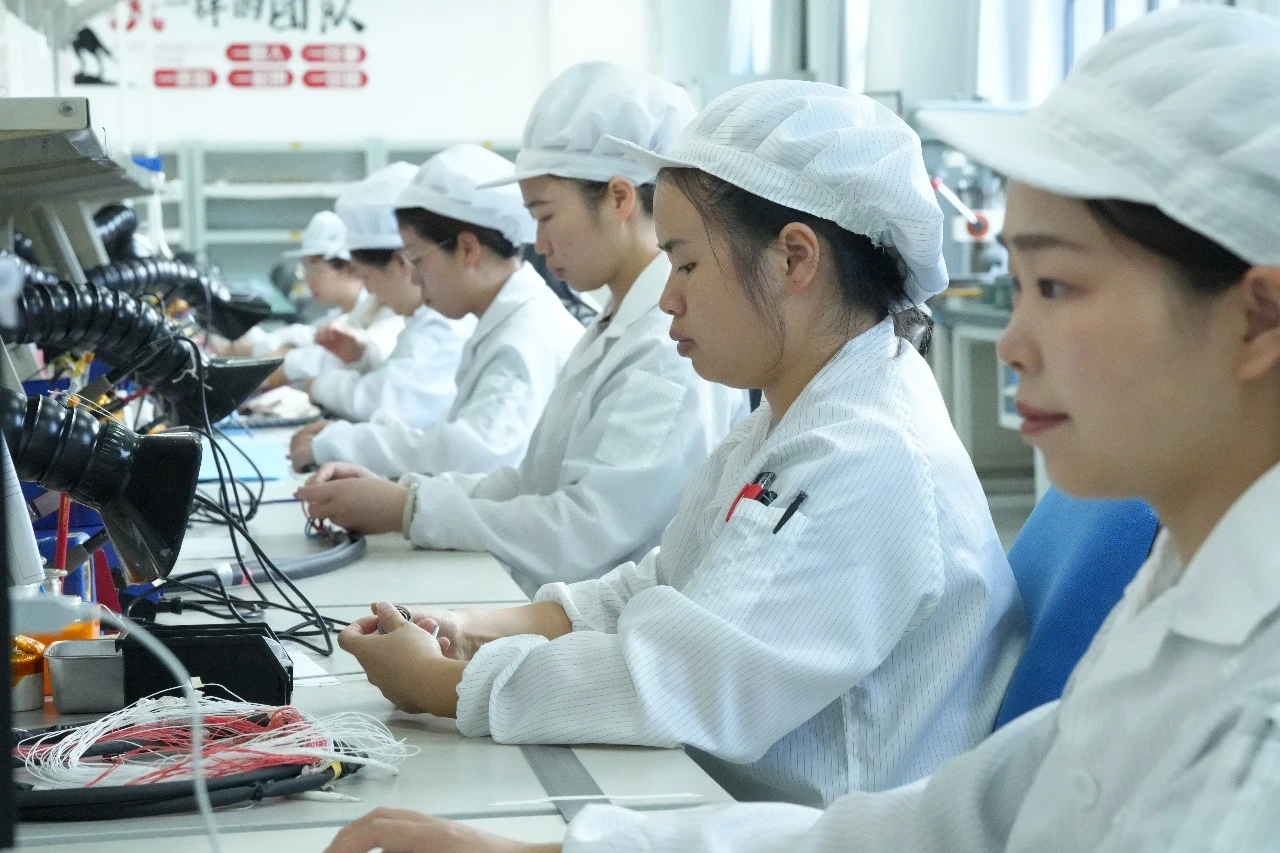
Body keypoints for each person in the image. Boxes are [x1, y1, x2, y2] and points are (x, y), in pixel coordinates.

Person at [324, 7, 1280, 852]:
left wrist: (464, 681)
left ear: (1259, 318)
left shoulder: (872, 450)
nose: (1014, 342)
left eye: (1058, 286)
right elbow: (950, 822)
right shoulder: (1180, 589)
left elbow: (692, 677)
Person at [326, 79, 1025, 810]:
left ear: (794, 259)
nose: (668, 297)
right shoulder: (793, 416)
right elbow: (666, 583)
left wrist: (448, 684)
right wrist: (474, 629)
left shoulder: (865, 453)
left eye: (686, 264)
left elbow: (685, 681)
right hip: (729, 793)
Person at [296, 62, 749, 591]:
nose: (538, 242)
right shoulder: (616, 324)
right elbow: (535, 482)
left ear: (619, 198)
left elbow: (585, 533)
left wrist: (409, 509)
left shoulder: (665, 345)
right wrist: (409, 497)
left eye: (546, 215)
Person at [289, 144, 584, 477]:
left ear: (467, 249)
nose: (413, 277)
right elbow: (449, 433)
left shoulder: (522, 339)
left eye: (417, 259)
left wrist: (345, 446)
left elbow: (473, 455)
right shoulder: (505, 321)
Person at [293, 162, 475, 430]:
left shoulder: (446, 321)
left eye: (367, 277)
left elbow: (392, 402)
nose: (369, 291)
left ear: (402, 263)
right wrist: (363, 356)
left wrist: (319, 386)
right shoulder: (423, 318)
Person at [219, 210, 404, 389]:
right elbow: (311, 337)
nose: (307, 279)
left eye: (313, 269)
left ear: (349, 267)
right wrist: (260, 346)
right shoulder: (359, 311)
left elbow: (341, 357)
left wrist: (285, 363)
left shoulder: (392, 314)